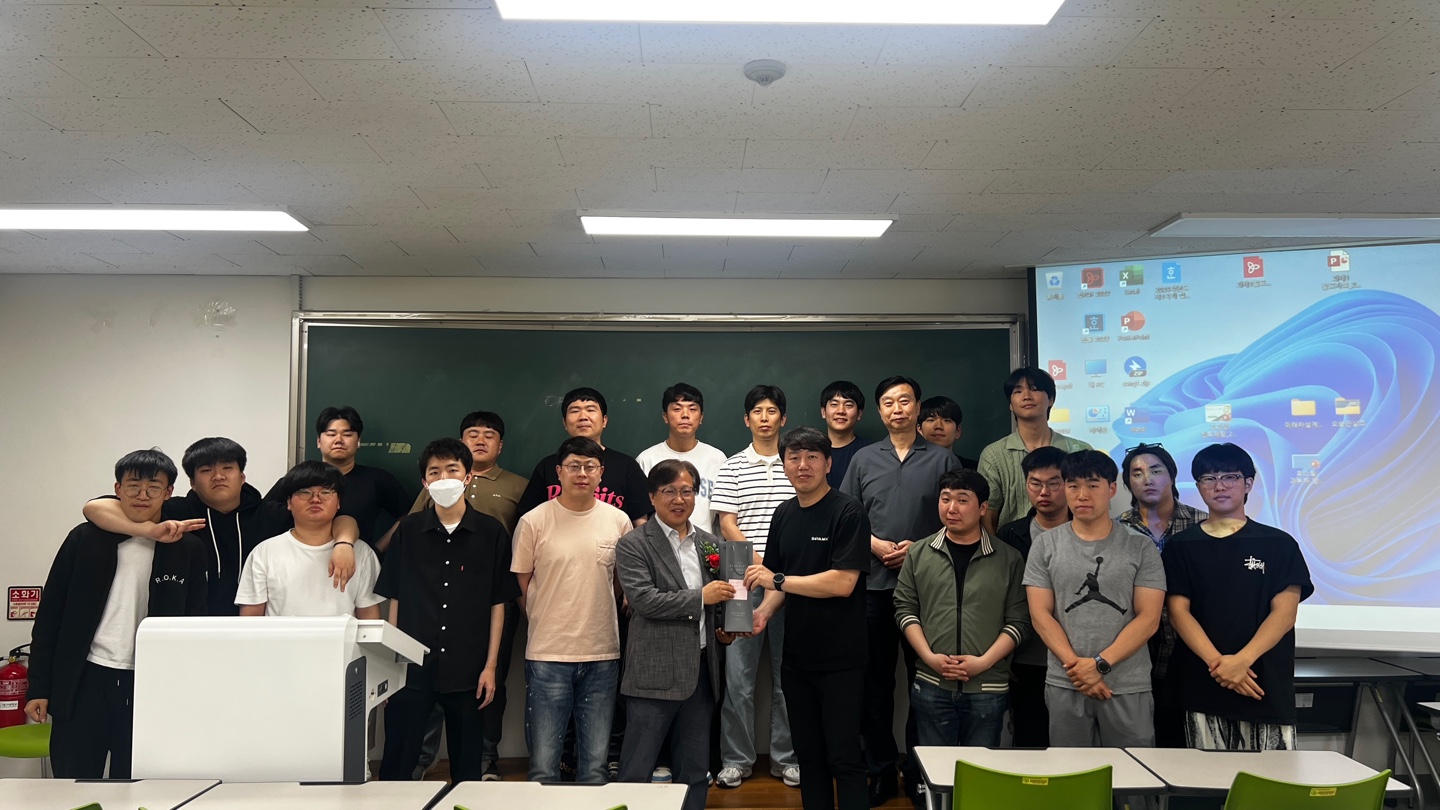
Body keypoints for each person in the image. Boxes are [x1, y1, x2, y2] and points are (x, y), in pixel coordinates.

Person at [26, 449, 209, 778]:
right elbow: (51, 615)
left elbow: (194, 624)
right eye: (133, 486)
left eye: (153, 487)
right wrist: (38, 687)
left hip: (149, 683)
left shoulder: (187, 549)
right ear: (117, 489)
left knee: (137, 785)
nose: (143, 495)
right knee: (74, 783)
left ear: (168, 492)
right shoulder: (84, 539)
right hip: (84, 679)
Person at [839, 375, 957, 807]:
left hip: (927, 588)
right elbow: (846, 515)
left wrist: (918, 548)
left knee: (927, 684)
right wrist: (872, 543)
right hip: (872, 588)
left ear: (917, 407)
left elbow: (957, 517)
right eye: (888, 402)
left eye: (904, 401)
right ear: (880, 411)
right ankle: (882, 771)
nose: (897, 409)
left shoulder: (942, 459)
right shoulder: (864, 459)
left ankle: (922, 773)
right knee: (875, 685)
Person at [82, 436, 359, 615]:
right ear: (192, 482)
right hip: (189, 625)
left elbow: (341, 519)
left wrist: (344, 544)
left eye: (227, 468)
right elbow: (95, 508)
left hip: (255, 626)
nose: (218, 476)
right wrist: (149, 530)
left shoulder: (269, 513)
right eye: (206, 470)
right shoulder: (175, 511)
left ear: (242, 476)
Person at [376, 439, 519, 782]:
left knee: (467, 769)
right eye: (434, 472)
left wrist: (490, 667)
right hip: (412, 667)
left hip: (469, 669)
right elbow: (395, 600)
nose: (444, 479)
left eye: (452, 470)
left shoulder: (491, 532)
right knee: (397, 764)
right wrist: (393, 665)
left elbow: (498, 604)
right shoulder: (409, 530)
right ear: (424, 482)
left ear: (468, 477)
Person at [746, 427, 871, 810]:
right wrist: (763, 612)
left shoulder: (848, 512)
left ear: (828, 464)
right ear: (784, 465)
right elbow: (779, 583)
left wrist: (777, 580)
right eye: (794, 458)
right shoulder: (783, 513)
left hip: (842, 661)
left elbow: (843, 583)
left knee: (844, 757)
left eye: (812, 457)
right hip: (796, 660)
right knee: (809, 757)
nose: (803, 465)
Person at [1165, 443, 1313, 751]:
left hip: (1262, 683)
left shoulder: (1279, 544)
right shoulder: (1181, 546)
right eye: (1208, 478)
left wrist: (1241, 662)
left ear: (1248, 483)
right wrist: (1220, 665)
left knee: (1271, 777)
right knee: (1201, 776)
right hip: (1202, 683)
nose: (1219, 486)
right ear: (1198, 486)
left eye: (1229, 477)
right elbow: (1178, 612)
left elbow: (1285, 614)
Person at [406, 410, 527, 780]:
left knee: (488, 681)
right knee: (429, 683)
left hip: (490, 596)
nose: (480, 439)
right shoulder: (433, 488)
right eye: (472, 433)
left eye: (489, 434)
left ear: (500, 445)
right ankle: (423, 759)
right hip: (432, 599)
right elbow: (409, 528)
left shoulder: (519, 486)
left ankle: (486, 759)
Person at [1023, 450, 1165, 750]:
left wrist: (1099, 664)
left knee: (1133, 773)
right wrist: (1079, 669)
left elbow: (1149, 618)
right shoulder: (1045, 545)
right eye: (1073, 485)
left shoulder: (1140, 546)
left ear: (1111, 489)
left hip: (1127, 684)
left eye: (1092, 485)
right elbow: (1041, 615)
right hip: (1067, 680)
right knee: (1071, 773)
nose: (1082, 495)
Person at [616, 459, 736, 810]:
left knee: (695, 770)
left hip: (701, 672)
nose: (679, 499)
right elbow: (644, 600)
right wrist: (701, 598)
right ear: (652, 496)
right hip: (653, 674)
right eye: (669, 491)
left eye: (687, 491)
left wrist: (725, 630)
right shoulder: (633, 544)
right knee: (636, 769)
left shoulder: (710, 543)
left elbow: (718, 603)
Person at [513, 436, 634, 783]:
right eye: (574, 466)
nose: (582, 473)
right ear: (559, 472)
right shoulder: (533, 521)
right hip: (548, 654)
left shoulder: (618, 520)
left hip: (602, 654)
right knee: (543, 765)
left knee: (595, 766)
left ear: (601, 473)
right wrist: (545, 616)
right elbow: (522, 582)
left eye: (590, 466)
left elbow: (620, 581)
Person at [894, 469, 1029, 752]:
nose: (952, 508)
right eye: (945, 499)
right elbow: (905, 609)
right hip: (932, 681)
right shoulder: (919, 553)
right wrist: (929, 657)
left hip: (987, 686)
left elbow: (1019, 621)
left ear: (982, 508)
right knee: (934, 769)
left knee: (980, 770)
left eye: (962, 500)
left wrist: (983, 662)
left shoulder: (1008, 558)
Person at [711, 384, 800, 789]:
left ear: (783, 418)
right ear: (747, 420)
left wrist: (776, 570)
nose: (765, 418)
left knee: (788, 674)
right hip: (738, 572)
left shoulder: (796, 463)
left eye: (772, 411)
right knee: (739, 677)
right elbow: (726, 522)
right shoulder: (731, 466)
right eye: (757, 412)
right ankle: (736, 760)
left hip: (789, 577)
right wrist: (760, 563)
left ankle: (787, 759)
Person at [1117, 442, 1208, 748]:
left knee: (1192, 749)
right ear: (1127, 483)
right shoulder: (1116, 530)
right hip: (1134, 656)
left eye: (1156, 471)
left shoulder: (1202, 525)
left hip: (1193, 654)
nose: (1147, 479)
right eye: (1137, 473)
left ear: (1172, 475)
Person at [234, 461, 383, 619]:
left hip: (342, 636)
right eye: (304, 492)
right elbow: (251, 619)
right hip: (283, 636)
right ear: (289, 502)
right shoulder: (264, 552)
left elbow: (369, 618)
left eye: (326, 492)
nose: (315, 499)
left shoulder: (361, 552)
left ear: (338, 502)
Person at [994, 446, 1071, 747]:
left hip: (1077, 657)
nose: (1044, 492)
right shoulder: (1010, 535)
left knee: (1076, 747)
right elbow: (999, 596)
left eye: (1054, 483)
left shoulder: (1088, 531)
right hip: (1026, 656)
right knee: (1030, 742)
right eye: (1035, 483)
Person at [978, 367, 1093, 535]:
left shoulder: (1080, 451)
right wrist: (998, 550)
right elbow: (988, 515)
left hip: (1073, 544)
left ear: (1051, 399)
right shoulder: (994, 455)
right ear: (1010, 404)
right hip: (1014, 546)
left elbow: (1094, 505)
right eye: (1018, 391)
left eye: (1035, 389)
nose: (1026, 396)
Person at [285, 406, 410, 554]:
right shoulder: (299, 479)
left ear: (358, 441)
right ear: (319, 441)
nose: (339, 440)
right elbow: (268, 513)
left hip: (359, 561)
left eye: (347, 434)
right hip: (301, 560)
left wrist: (376, 550)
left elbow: (409, 515)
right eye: (331, 434)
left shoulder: (377, 479)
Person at [517, 387, 650, 525]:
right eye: (575, 411)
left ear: (604, 420)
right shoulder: (547, 466)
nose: (583, 417)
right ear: (564, 423)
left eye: (591, 410)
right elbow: (529, 518)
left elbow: (641, 522)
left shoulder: (626, 466)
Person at [636, 383, 729, 534]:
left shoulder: (717, 459)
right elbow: (640, 515)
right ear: (665, 416)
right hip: (659, 544)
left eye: (692, 409)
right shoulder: (646, 460)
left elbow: (725, 516)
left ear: (701, 417)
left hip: (704, 545)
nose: (685, 415)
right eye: (677, 409)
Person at [820, 380, 870, 488]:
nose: (841, 411)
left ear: (859, 414)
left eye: (848, 405)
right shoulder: (812, 452)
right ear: (823, 412)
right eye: (834, 404)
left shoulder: (870, 453)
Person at [918, 395, 978, 470]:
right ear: (919, 429)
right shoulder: (909, 465)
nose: (938, 426)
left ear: (958, 431)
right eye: (931, 420)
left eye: (947, 420)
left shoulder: (972, 469)